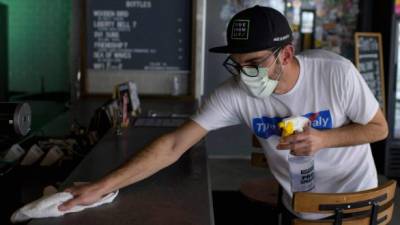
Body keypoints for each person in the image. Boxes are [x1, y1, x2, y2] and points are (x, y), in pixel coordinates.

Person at [59, 5, 388, 223]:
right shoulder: (235, 92)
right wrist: (101, 187)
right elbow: (175, 145)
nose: (245, 74)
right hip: (298, 208)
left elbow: (378, 129)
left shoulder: (337, 74)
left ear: (286, 54)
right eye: (237, 63)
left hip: (356, 204)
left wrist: (323, 139)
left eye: (254, 64)